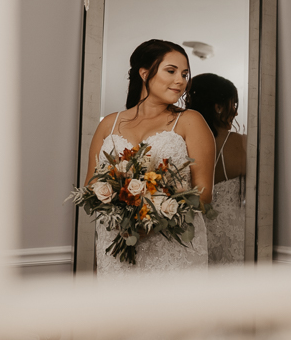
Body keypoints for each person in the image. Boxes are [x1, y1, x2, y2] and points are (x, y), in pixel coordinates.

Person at [85, 39, 214, 277]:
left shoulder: (190, 121)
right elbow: (91, 187)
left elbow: (204, 195)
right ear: (144, 73)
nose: (181, 81)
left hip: (171, 250)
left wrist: (155, 215)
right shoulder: (109, 124)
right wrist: (124, 212)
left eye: (185, 74)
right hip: (116, 243)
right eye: (171, 71)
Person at [188, 73, 247, 266]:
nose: (236, 113)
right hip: (232, 237)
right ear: (218, 107)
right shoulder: (241, 144)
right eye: (233, 105)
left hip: (190, 236)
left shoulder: (180, 142)